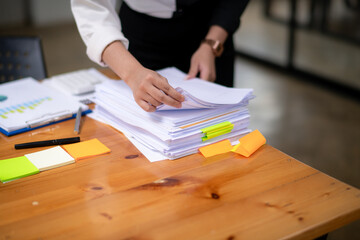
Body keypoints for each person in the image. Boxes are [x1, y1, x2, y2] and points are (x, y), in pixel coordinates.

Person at [71, 0, 250, 112]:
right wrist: (132, 73)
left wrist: (212, 44)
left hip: (213, 26)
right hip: (143, 36)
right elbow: (91, 8)